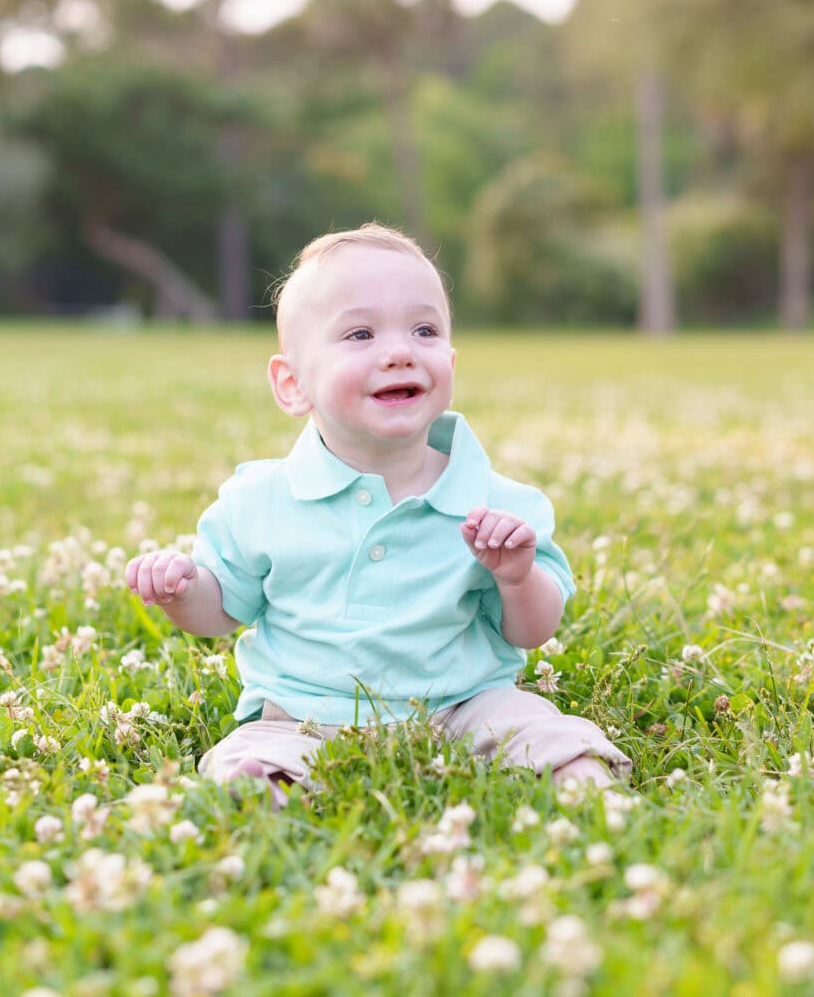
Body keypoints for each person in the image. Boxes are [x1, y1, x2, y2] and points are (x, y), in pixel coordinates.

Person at [124, 223, 630, 806]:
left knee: (534, 727)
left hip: (463, 703)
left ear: (450, 360)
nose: (399, 352)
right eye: (361, 333)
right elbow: (220, 612)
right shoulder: (260, 499)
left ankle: (583, 784)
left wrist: (516, 576)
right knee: (258, 753)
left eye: (425, 330)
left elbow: (533, 630)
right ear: (292, 385)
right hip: (304, 715)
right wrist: (182, 591)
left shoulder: (495, 501)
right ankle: (265, 791)